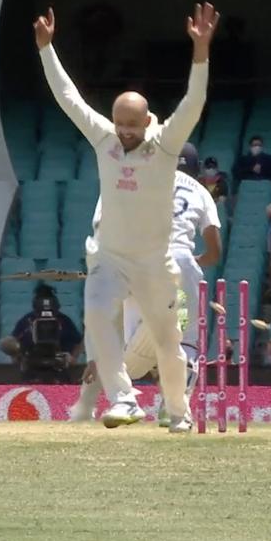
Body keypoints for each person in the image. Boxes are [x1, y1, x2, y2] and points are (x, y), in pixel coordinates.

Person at [35, 3, 217, 431]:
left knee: (168, 344)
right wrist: (46, 49)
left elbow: (195, 101)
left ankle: (178, 410)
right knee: (97, 317)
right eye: (120, 123)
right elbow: (68, 98)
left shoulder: (166, 143)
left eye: (132, 125)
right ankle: (124, 399)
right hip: (111, 258)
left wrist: (201, 50)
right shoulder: (104, 139)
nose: (124, 131)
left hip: (155, 263)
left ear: (148, 120)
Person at [70, 144, 222, 428]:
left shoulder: (136, 180)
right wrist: (191, 261)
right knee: (185, 342)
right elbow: (215, 252)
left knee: (129, 347)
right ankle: (174, 410)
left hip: (135, 262)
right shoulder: (200, 192)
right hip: (179, 265)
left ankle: (118, 393)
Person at [3, 283, 85, 383]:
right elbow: (11, 343)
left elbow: (79, 342)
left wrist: (73, 357)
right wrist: (17, 357)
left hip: (59, 366)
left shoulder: (64, 321)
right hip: (32, 366)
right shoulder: (27, 321)